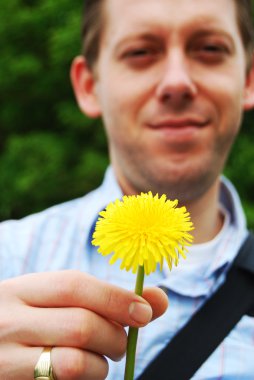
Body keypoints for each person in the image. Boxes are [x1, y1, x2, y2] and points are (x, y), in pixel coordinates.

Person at [1, 0, 254, 379]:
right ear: (88, 86)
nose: (177, 83)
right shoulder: (7, 256)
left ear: (249, 79)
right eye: (140, 52)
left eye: (210, 49)